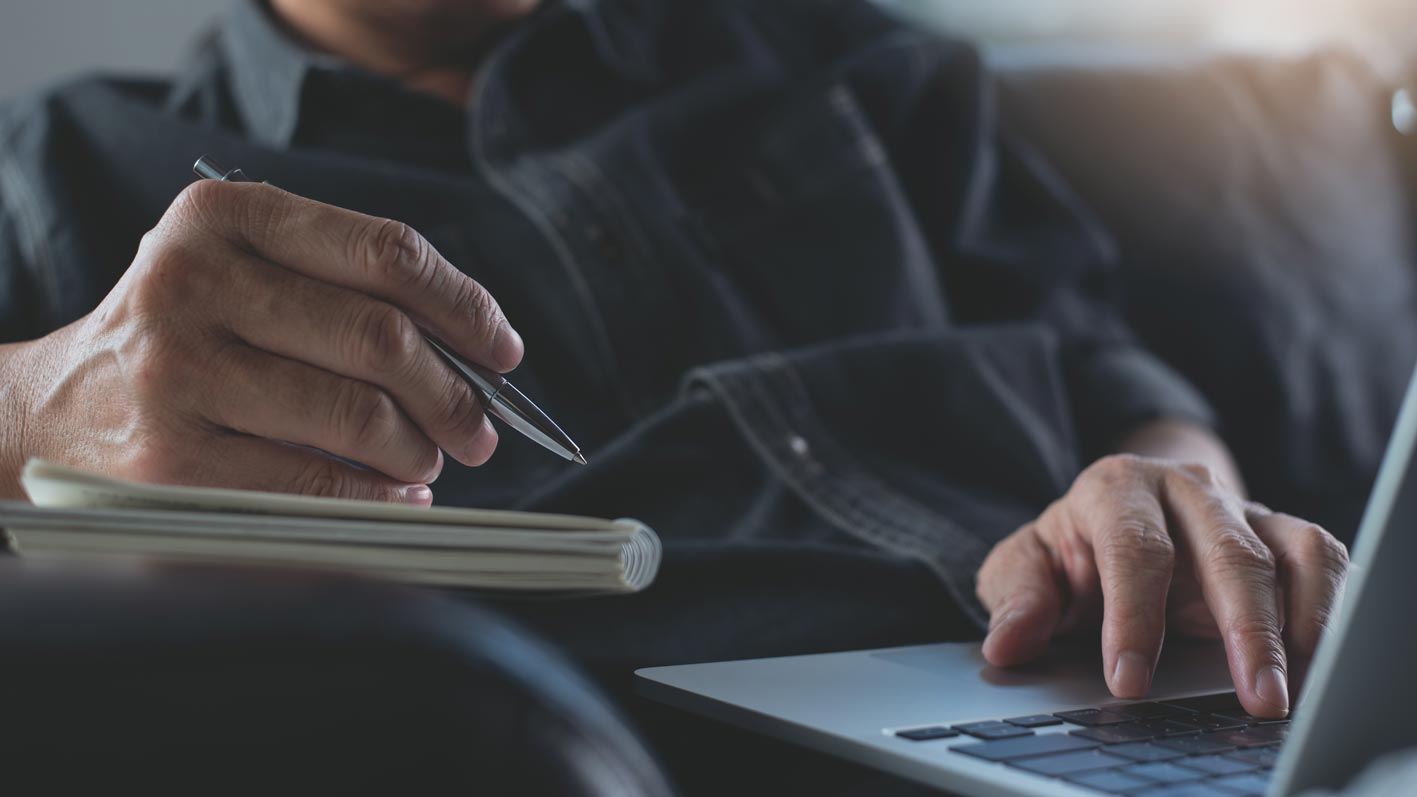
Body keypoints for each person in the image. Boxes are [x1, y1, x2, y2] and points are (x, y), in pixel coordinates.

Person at [0, 0, 1348, 788]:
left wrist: (1176, 504)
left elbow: (1117, 378)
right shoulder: (66, 168)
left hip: (1105, 707)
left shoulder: (847, 54)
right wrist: (30, 412)